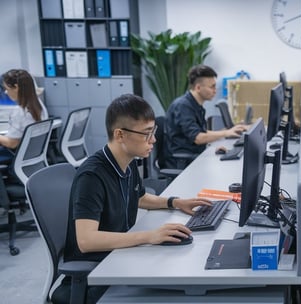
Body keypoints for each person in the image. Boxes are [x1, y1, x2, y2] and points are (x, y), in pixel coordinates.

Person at [62, 94, 211, 302]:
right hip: (97, 273)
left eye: (153, 132)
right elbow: (86, 241)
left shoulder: (128, 160)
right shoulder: (92, 176)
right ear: (120, 135)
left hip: (120, 256)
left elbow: (138, 197)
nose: (154, 140)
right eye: (146, 134)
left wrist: (175, 202)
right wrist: (149, 236)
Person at [164, 65, 246, 169]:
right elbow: (198, 138)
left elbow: (201, 132)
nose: (215, 91)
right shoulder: (183, 106)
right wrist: (226, 133)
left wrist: (214, 145)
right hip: (182, 161)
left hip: (193, 154)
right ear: (198, 87)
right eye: (212, 87)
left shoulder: (195, 105)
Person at [0, 69, 48, 163]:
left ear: (16, 87)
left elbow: (11, 143)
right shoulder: (38, 104)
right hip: (32, 155)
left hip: (17, 156)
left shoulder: (20, 112)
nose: (6, 92)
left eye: (7, 89)